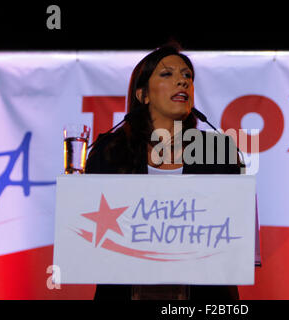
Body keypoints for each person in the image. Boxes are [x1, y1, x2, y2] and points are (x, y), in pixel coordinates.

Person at [85, 44, 242, 301]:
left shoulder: (219, 150)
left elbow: (233, 230)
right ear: (143, 94)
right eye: (167, 74)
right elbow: (90, 228)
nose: (182, 81)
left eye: (187, 76)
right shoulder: (110, 150)